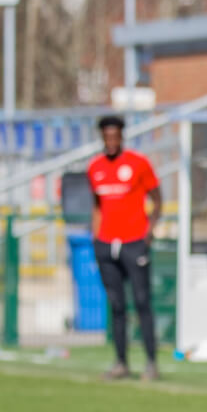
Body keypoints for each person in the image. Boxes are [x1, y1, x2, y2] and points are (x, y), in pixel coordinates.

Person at [87, 115, 162, 381]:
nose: (111, 141)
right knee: (117, 305)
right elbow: (97, 205)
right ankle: (121, 362)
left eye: (114, 136)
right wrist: (97, 237)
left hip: (134, 242)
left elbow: (157, 197)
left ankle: (151, 362)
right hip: (106, 244)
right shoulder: (94, 167)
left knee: (142, 302)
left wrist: (149, 231)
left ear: (121, 136)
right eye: (106, 136)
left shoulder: (138, 163)